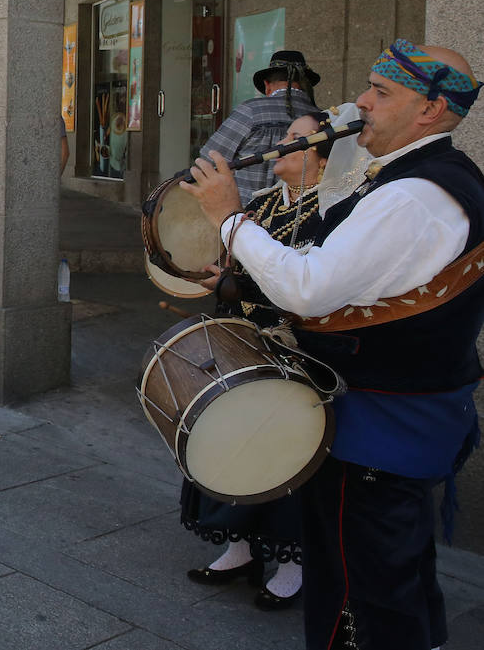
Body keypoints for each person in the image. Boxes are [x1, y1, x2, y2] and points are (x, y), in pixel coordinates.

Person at [182, 40, 483, 650]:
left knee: (358, 589)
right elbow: (341, 266)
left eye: (381, 92)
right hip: (403, 415)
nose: (361, 102)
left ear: (429, 111)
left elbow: (309, 286)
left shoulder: (414, 196)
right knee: (396, 573)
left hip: (380, 425)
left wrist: (229, 218)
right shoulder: (420, 179)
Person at [182, 111, 335, 614]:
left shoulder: (335, 209)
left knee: (285, 454)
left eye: (295, 138)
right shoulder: (264, 202)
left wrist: (238, 283)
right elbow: (239, 263)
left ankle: (293, 563)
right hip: (246, 343)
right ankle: (242, 548)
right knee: (234, 442)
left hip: (299, 354)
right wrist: (220, 279)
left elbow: (312, 284)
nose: (282, 143)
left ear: (322, 152)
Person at [200, 50, 320, 205]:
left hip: (246, 217)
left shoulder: (250, 111)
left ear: (267, 85)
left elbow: (208, 161)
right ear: (306, 85)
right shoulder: (322, 118)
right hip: (300, 217)